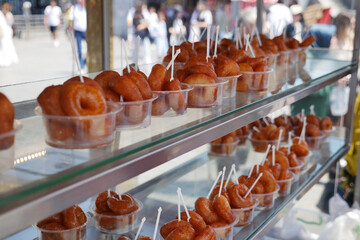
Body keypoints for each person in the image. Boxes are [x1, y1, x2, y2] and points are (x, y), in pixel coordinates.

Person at [69, 0, 87, 71]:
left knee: (87, 49)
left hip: (86, 31)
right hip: (78, 31)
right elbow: (71, 21)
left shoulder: (87, 8)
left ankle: (85, 62)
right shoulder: (74, 8)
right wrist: (70, 32)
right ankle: (81, 66)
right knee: (79, 50)